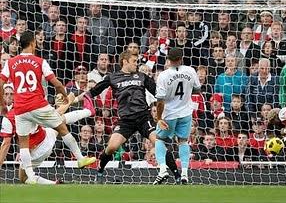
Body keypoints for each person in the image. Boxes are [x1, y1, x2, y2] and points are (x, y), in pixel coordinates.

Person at [0, 31, 96, 184]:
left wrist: (2, 105)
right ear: (32, 43)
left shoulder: (11, 63)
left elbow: (1, 83)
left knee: (23, 143)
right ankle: (80, 159)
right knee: (62, 128)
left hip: (20, 109)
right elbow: (56, 83)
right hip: (38, 105)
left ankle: (31, 177)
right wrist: (65, 96)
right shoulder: (40, 61)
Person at [77, 50, 180, 183]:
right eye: (134, 62)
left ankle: (177, 176)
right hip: (125, 120)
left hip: (143, 117)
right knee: (112, 147)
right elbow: (92, 92)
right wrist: (73, 100)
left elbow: (158, 94)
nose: (136, 64)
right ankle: (100, 170)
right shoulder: (112, 77)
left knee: (159, 143)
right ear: (125, 62)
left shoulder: (142, 77)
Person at [0, 92, 95, 184]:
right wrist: (70, 100)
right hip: (45, 139)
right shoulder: (30, 108)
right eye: (6, 94)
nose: (9, 97)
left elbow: (5, 144)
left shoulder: (9, 118)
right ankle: (88, 111)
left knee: (24, 178)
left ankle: (87, 110)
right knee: (59, 120)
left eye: (11, 94)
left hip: (35, 150)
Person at [154, 47, 201, 185]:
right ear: (181, 58)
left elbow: (160, 100)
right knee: (183, 141)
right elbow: (197, 89)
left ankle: (162, 169)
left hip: (169, 114)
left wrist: (159, 118)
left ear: (168, 59)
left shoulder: (163, 75)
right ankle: (185, 173)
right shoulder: (190, 71)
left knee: (159, 139)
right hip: (186, 112)